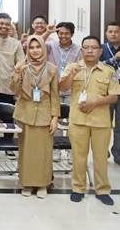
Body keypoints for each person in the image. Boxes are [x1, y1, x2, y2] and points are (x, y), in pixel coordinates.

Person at [60, 36, 120, 205]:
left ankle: (102, 190)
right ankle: (78, 188)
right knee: (79, 157)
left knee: (100, 158)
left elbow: (114, 96)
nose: (90, 50)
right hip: (78, 120)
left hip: (101, 122)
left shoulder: (108, 71)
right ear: (81, 50)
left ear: (100, 51)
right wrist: (70, 75)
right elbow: (62, 88)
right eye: (86, 47)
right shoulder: (73, 67)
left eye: (94, 47)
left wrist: (95, 102)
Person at [11, 36, 60, 198]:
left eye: (38, 47)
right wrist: (17, 73)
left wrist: (55, 117)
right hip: (25, 114)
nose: (35, 51)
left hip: (45, 115)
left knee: (44, 152)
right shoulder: (22, 67)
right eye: (31, 48)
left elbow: (55, 95)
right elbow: (14, 90)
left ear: (43, 49)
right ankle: (26, 182)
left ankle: (42, 184)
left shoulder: (52, 69)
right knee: (26, 151)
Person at [46, 22, 82, 104]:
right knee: (54, 115)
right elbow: (38, 43)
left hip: (71, 91)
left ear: (72, 34)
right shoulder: (51, 45)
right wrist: (48, 32)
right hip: (53, 89)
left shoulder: (78, 49)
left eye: (67, 33)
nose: (63, 36)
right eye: (61, 33)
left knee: (69, 115)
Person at [101, 22, 120, 163]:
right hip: (106, 91)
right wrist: (114, 59)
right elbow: (98, 66)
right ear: (106, 33)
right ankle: (102, 151)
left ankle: (118, 153)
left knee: (119, 124)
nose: (114, 34)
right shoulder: (101, 48)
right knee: (103, 123)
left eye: (117, 31)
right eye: (111, 31)